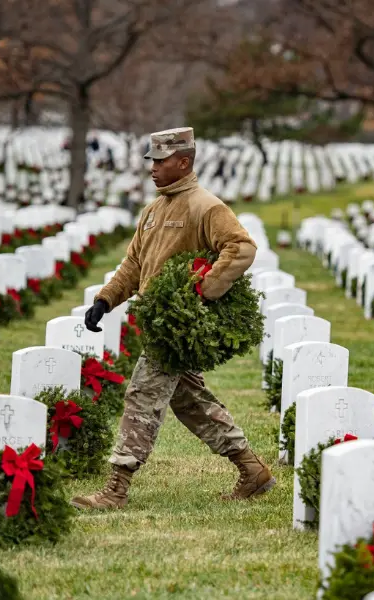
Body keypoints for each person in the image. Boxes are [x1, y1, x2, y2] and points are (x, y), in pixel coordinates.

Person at [73, 127, 275, 510]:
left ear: (183, 163)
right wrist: (106, 299)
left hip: (175, 329)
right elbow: (134, 264)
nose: (153, 168)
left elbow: (242, 247)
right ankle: (252, 469)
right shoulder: (152, 211)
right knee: (190, 401)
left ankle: (116, 488)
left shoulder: (205, 206)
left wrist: (204, 289)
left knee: (142, 396)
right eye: (151, 160)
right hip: (158, 325)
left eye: (161, 161)